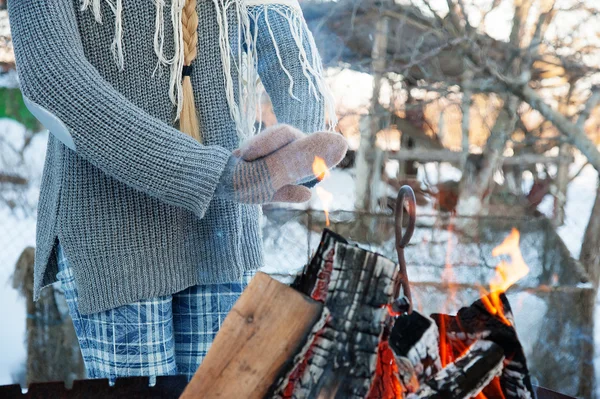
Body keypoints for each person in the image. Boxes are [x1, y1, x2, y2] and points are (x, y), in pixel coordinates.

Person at [8, 0, 347, 382]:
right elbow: (55, 83)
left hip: (223, 235)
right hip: (114, 230)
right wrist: (220, 176)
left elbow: (286, 42)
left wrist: (294, 155)